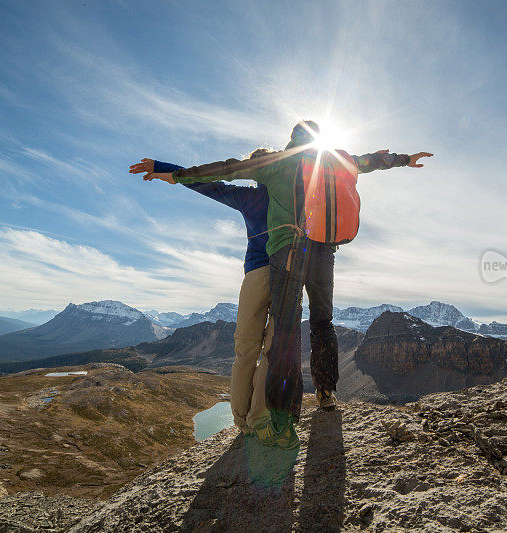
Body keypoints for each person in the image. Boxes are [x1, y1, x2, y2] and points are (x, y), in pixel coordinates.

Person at [155, 121, 433, 449]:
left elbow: (227, 170)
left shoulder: (275, 167)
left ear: (292, 139)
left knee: (280, 337)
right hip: (322, 252)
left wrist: (176, 173)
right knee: (321, 321)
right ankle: (325, 392)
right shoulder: (333, 160)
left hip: (285, 254)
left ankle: (277, 418)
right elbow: (368, 160)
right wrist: (403, 159)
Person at [128, 149, 275, 435]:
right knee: (273, 351)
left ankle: (242, 421)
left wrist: (165, 167)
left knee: (246, 350)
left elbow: (209, 184)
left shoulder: (248, 198)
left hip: (256, 273)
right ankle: (260, 418)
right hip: (287, 273)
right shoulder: (294, 197)